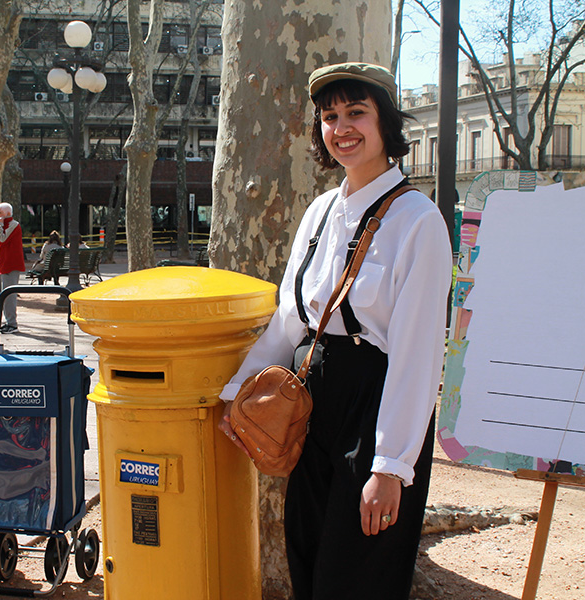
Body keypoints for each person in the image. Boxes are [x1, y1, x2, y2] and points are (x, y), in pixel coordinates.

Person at [217, 63, 452, 600]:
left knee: (358, 573)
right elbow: (291, 318)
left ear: (385, 124)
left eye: (356, 113)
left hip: (374, 406)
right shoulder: (321, 211)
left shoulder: (418, 220)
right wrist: (238, 393)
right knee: (308, 557)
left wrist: (391, 465)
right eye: (329, 116)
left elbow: (417, 356)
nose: (341, 127)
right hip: (311, 404)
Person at [0, 202, 26, 333]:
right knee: (4, 296)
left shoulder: (13, 225)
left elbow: (2, 239)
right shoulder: (4, 226)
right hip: (3, 264)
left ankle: (12, 323)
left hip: (11, 265)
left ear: (7, 214)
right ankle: (8, 321)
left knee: (9, 296)